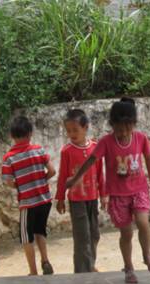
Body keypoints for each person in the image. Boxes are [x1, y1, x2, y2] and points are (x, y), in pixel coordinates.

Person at [66, 98, 150, 284]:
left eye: (127, 128)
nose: (123, 133)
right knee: (126, 233)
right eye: (119, 129)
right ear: (112, 125)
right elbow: (91, 161)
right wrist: (75, 179)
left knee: (143, 222)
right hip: (118, 195)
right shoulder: (106, 142)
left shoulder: (140, 138)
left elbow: (149, 158)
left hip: (139, 190)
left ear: (134, 124)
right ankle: (129, 267)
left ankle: (147, 255)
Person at [2, 116, 56, 276]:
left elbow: (7, 181)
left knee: (26, 237)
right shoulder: (39, 150)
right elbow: (52, 171)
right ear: (30, 133)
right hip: (44, 200)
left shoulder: (9, 157)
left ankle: (33, 271)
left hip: (27, 203)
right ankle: (45, 261)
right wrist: (41, 181)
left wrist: (21, 187)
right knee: (40, 231)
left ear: (12, 136)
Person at [55, 109, 107, 273]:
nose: (71, 134)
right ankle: (82, 272)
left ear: (85, 127)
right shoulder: (66, 151)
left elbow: (100, 174)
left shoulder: (95, 148)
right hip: (76, 200)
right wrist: (60, 198)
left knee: (94, 234)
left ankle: (90, 265)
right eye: (68, 131)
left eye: (75, 130)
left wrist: (104, 195)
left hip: (93, 198)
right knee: (82, 237)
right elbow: (63, 175)